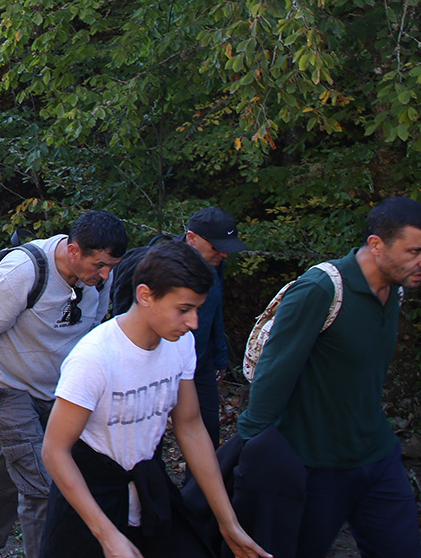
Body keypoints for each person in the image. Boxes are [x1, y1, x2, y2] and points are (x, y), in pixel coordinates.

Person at [41, 241, 270, 558]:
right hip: (90, 501)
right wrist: (107, 535)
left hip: (149, 490)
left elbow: (189, 426)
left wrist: (227, 522)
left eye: (197, 310)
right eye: (184, 309)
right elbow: (55, 451)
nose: (193, 323)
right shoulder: (95, 358)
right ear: (146, 295)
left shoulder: (180, 344)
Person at [0, 210, 127, 558]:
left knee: (10, 468)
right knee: (42, 486)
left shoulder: (99, 280)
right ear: (74, 251)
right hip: (3, 384)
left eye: (111, 266)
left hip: (53, 390)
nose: (107, 275)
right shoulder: (26, 271)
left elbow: (92, 340)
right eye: (100, 265)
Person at [227, 196, 421, 558]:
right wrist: (255, 457)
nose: (420, 261)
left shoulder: (395, 289)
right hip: (314, 466)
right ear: (376, 245)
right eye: (414, 251)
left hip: (377, 457)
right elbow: (273, 373)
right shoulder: (322, 289)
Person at [110, 206, 246, 444]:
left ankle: (201, 481)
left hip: (200, 360)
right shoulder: (159, 266)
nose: (223, 255)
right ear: (192, 238)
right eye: (217, 247)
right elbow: (130, 316)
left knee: (207, 429)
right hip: (158, 362)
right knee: (149, 435)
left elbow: (214, 309)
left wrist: (220, 356)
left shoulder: (215, 266)